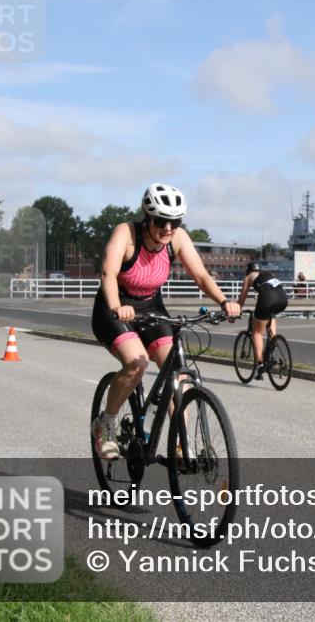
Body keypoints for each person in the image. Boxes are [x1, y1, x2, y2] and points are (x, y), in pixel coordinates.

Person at [90, 183, 241, 460]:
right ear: (147, 218)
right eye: (161, 221)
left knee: (179, 375)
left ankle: (183, 446)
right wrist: (116, 306)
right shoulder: (126, 233)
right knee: (137, 363)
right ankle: (106, 424)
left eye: (175, 222)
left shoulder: (177, 238)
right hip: (115, 307)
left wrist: (224, 302)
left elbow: (202, 277)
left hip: (151, 306)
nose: (168, 229)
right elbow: (108, 273)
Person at [238, 261, 288, 380]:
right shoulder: (268, 273)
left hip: (267, 298)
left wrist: (236, 311)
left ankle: (259, 365)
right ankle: (272, 344)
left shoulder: (249, 276)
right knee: (270, 314)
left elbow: (242, 299)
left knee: (257, 333)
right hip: (282, 298)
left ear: (248, 271)